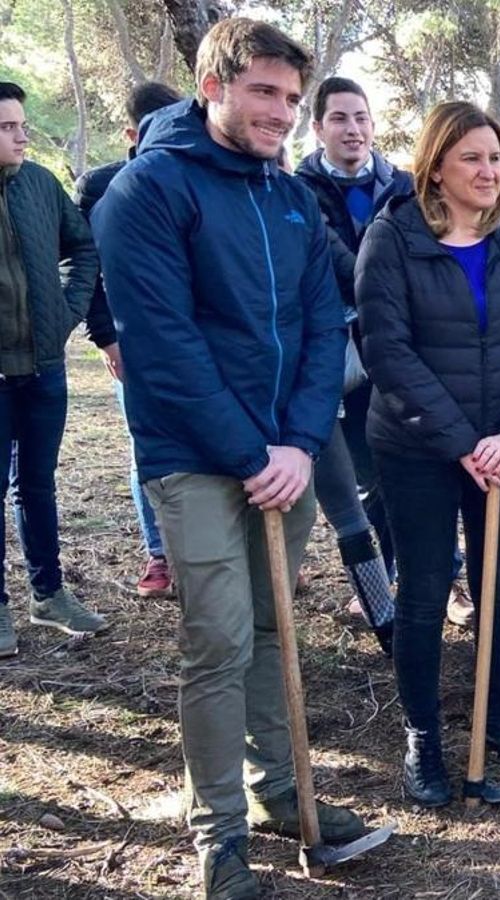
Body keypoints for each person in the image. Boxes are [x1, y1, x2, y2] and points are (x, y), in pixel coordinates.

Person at [91, 19, 367, 898]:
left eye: (291, 98)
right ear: (213, 85)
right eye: (264, 92)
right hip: (197, 458)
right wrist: (253, 452)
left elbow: (326, 324)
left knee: (273, 629)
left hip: (285, 453)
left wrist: (297, 440)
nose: (282, 113)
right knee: (217, 637)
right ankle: (220, 834)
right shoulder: (148, 191)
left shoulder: (287, 197)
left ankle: (282, 791)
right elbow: (164, 346)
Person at [356, 100, 500, 807]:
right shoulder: (392, 238)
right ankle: (423, 739)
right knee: (425, 590)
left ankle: (495, 718)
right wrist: (462, 441)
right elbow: (388, 353)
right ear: (435, 167)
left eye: (494, 158)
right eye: (471, 157)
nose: (487, 170)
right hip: (416, 448)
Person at [294, 75, 414, 654]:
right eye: (340, 118)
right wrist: (379, 292)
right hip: (325, 360)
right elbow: (342, 260)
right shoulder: (296, 189)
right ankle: (382, 613)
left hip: (392, 354)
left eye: (362, 117)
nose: (354, 129)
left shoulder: (403, 186)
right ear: (318, 127)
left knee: (392, 478)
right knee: (345, 495)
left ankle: (405, 586)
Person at [0, 81, 104, 662]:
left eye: (21, 124)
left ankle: (49, 593)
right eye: (9, 127)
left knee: (37, 485)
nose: (22, 135)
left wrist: (67, 312)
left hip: (42, 367)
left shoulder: (40, 184)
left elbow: (83, 247)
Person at [74, 80, 184, 603]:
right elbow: (87, 268)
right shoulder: (99, 185)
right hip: (130, 344)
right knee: (147, 447)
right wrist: (104, 337)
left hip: (196, 342)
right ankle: (160, 553)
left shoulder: (195, 179)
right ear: (130, 133)